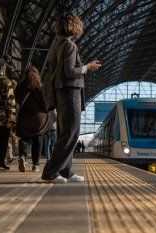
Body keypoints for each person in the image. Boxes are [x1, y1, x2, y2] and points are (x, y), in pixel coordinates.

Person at [41, 12, 101, 183]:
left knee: (64, 133)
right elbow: (70, 72)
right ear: (74, 27)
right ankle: (50, 172)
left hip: (60, 92)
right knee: (71, 134)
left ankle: (66, 171)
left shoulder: (55, 44)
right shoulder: (69, 46)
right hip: (69, 92)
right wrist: (88, 67)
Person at [16, 65, 50, 172]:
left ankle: (22, 156)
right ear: (37, 75)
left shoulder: (20, 87)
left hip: (25, 117)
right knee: (38, 141)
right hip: (39, 120)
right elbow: (45, 104)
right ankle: (35, 165)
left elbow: (17, 100)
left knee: (24, 138)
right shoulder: (40, 87)